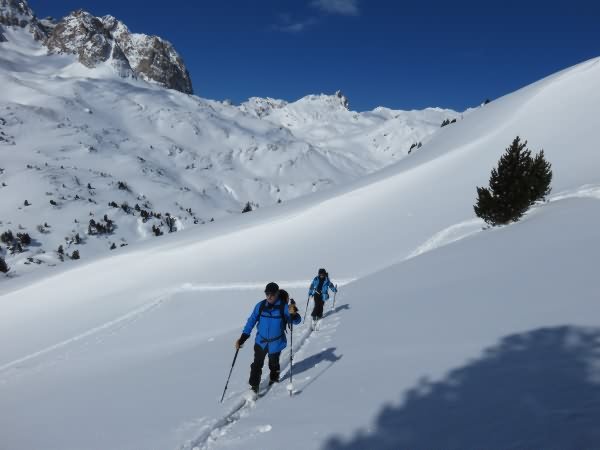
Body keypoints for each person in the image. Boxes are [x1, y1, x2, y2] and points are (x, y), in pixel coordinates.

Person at [235, 282, 301, 394]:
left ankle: (274, 378)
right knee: (256, 364)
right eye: (267, 294)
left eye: (272, 294)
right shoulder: (260, 306)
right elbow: (251, 321)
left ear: (277, 294)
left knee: (274, 363)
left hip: (276, 343)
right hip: (261, 341)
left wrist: (294, 313)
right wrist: (243, 337)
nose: (269, 297)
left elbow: (297, 321)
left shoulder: (283, 307)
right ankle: (254, 386)